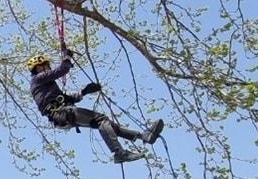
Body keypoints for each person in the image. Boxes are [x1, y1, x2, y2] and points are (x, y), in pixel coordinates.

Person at [27, 47, 163, 163]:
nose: (48, 68)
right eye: (45, 66)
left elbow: (67, 98)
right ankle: (119, 152)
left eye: (47, 65)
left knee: (107, 125)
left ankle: (143, 136)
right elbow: (62, 70)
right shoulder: (38, 79)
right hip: (62, 114)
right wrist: (67, 57)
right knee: (101, 120)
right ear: (38, 68)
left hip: (63, 114)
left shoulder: (47, 86)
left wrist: (85, 91)